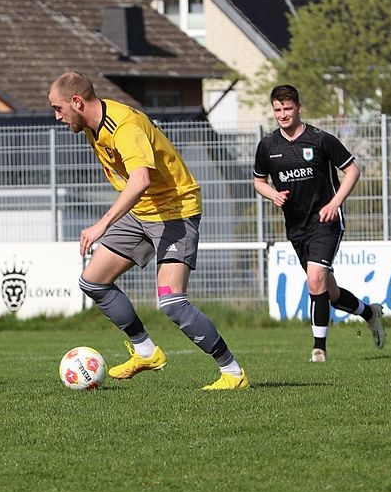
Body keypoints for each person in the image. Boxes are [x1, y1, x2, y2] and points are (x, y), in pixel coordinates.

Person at [48, 71, 249, 390]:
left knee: (173, 303)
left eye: (58, 108)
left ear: (77, 102)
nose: (57, 117)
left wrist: (102, 223)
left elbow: (140, 179)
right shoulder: (91, 125)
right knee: (93, 281)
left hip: (175, 211)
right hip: (142, 211)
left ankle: (234, 374)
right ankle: (146, 352)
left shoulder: (124, 126)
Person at [253, 84, 385, 362]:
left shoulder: (320, 139)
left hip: (326, 221)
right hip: (296, 226)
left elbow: (352, 170)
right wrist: (272, 194)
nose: (283, 114)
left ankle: (319, 350)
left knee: (314, 280)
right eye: (277, 109)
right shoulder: (268, 145)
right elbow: (258, 181)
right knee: (329, 292)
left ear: (299, 108)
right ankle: (370, 313)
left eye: (288, 108)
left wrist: (335, 203)